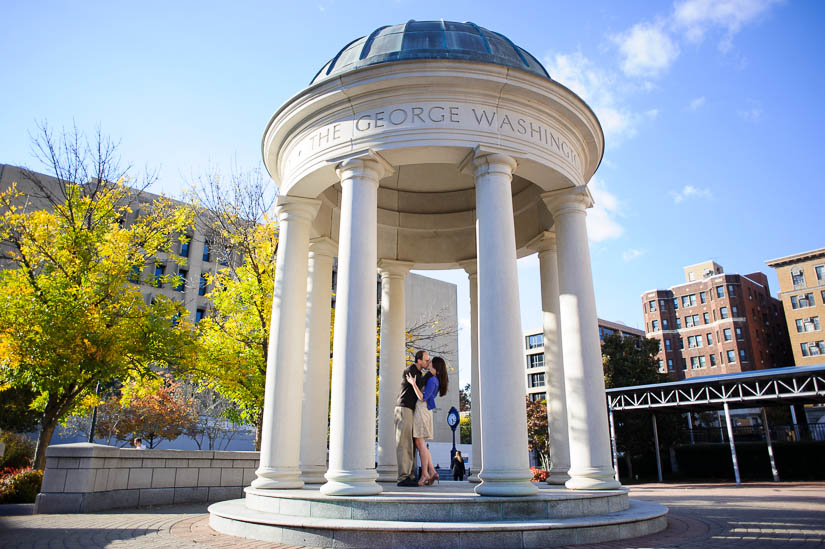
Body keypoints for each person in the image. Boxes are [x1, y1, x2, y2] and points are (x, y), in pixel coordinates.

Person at [405, 356, 449, 486]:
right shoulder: (433, 379)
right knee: (421, 444)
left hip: (422, 411)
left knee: (420, 443)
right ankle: (432, 471)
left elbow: (422, 397)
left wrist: (413, 384)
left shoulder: (433, 381)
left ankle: (425, 474)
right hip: (424, 411)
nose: (428, 363)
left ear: (435, 365)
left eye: (430, 362)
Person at [394, 350, 431, 487]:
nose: (428, 362)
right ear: (419, 360)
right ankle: (403, 477)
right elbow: (420, 383)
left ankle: (409, 475)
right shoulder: (411, 369)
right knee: (403, 443)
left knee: (410, 443)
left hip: (410, 410)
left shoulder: (419, 373)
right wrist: (430, 374)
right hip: (403, 409)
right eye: (426, 360)